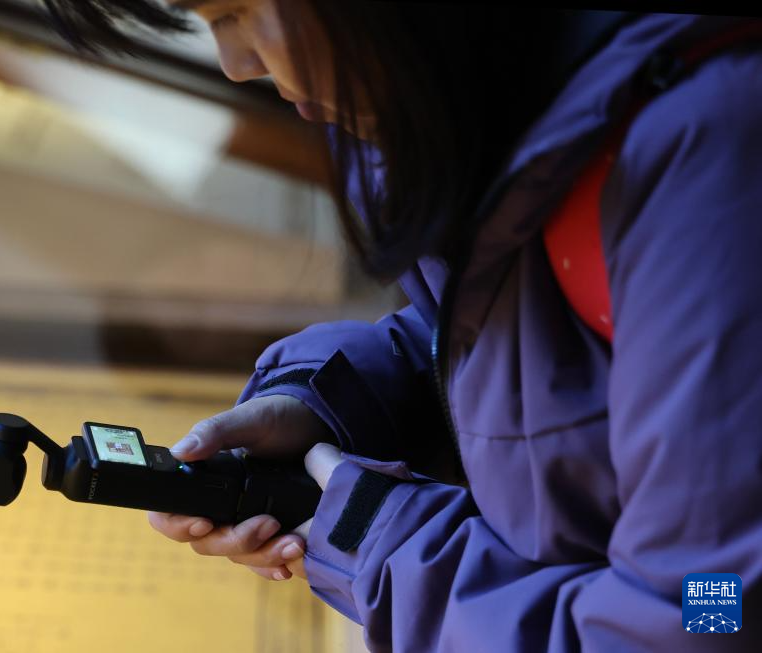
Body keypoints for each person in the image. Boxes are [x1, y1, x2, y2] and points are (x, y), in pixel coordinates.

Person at [45, 2, 762, 650]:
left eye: (235, 11)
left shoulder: (705, 157)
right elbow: (533, 352)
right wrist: (328, 406)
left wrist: (378, 545)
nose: (236, 64)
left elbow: (713, 616)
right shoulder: (508, 107)